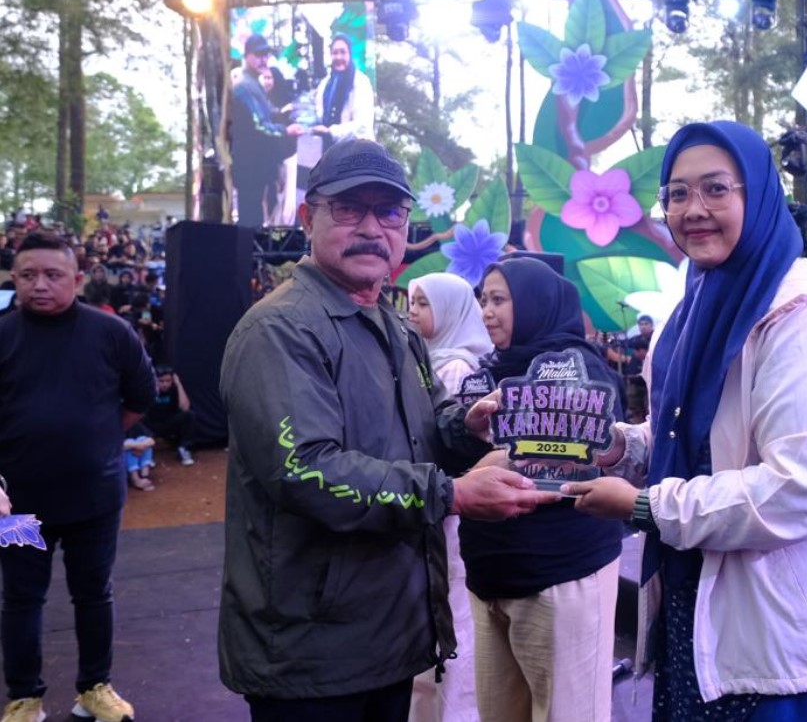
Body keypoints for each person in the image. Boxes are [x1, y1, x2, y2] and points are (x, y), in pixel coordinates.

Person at [563, 121, 807, 719]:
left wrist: (646, 507)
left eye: (716, 189)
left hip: (797, 650)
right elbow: (690, 440)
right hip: (703, 620)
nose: (693, 209)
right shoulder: (693, 310)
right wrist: (619, 448)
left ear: (759, 195)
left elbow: (804, 487)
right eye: (677, 193)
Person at [218, 138, 557, 722]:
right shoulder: (280, 330)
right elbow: (305, 471)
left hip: (389, 637)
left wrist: (467, 428)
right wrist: (451, 493)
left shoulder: (395, 328)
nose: (372, 228)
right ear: (308, 218)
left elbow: (421, 434)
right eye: (350, 208)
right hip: (310, 652)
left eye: (390, 212)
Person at [0, 231, 156, 722]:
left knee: (93, 593)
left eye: (53, 275)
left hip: (95, 498)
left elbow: (140, 397)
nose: (39, 285)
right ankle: (24, 696)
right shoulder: (2, 335)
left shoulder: (111, 333)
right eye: (28, 275)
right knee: (21, 599)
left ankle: (94, 687)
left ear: (78, 278)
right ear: (13, 278)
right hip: (19, 505)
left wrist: (98, 440)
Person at [461, 256, 625, 722]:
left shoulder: (580, 369)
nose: (487, 312)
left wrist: (496, 462)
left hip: (559, 574)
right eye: (483, 300)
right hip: (490, 576)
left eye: (499, 300)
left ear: (535, 304)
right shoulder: (490, 371)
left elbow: (580, 452)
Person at [406, 272, 493, 722]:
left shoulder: (455, 368)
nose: (412, 311)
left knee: (453, 616)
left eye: (424, 303)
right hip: (429, 500)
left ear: (450, 310)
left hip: (447, 507)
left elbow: (448, 441)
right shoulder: (422, 356)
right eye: (412, 301)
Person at [229, 33, 304, 228]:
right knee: (250, 221)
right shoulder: (245, 86)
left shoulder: (253, 83)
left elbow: (262, 116)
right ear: (247, 55)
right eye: (258, 54)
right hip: (249, 167)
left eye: (265, 54)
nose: (263, 59)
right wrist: (286, 131)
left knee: (254, 218)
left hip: (254, 166)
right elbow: (259, 126)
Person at [311, 34, 375, 148]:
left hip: (357, 151)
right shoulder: (325, 83)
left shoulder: (361, 82)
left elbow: (362, 126)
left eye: (343, 52)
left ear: (350, 54)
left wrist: (331, 132)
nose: (338, 57)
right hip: (331, 150)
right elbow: (318, 113)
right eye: (335, 53)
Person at [141, 366, 197, 467]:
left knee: (189, 415)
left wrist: (178, 384)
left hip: (168, 423)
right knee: (138, 419)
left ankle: (184, 449)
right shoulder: (148, 389)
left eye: (168, 381)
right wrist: (154, 387)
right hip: (151, 425)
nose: (165, 384)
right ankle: (147, 454)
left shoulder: (174, 389)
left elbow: (185, 408)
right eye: (161, 381)